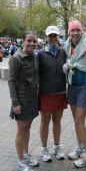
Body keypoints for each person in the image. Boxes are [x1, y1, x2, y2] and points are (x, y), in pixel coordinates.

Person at [63, 20, 86, 168]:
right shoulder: (67, 45)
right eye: (72, 30)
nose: (75, 33)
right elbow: (69, 62)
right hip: (72, 85)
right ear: (69, 32)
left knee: (79, 122)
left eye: (77, 30)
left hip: (84, 86)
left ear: (81, 31)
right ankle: (80, 148)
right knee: (76, 120)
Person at [8, 31, 39, 171]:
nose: (32, 43)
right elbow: (11, 81)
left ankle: (26, 154)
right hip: (22, 99)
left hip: (32, 98)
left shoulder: (34, 56)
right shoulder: (16, 58)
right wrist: (15, 103)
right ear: (23, 41)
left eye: (34, 41)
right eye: (29, 41)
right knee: (21, 130)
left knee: (27, 128)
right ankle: (21, 162)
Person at [37, 26, 67, 162]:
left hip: (60, 92)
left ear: (59, 36)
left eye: (55, 35)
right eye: (50, 36)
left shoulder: (63, 52)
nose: (53, 38)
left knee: (57, 121)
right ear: (46, 37)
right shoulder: (40, 54)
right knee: (45, 122)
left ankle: (56, 147)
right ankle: (44, 148)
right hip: (45, 93)